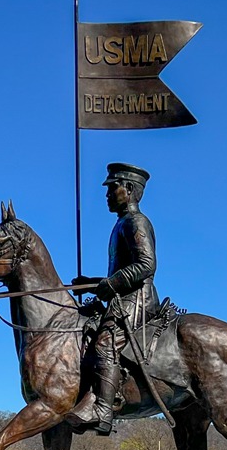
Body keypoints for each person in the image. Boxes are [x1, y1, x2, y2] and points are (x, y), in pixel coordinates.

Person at [67, 163, 161, 435]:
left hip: (138, 298)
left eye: (112, 188)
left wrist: (111, 284)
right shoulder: (121, 223)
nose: (107, 194)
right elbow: (121, 271)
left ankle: (103, 410)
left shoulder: (136, 222)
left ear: (129, 189)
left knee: (105, 342)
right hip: (123, 296)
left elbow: (146, 265)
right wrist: (93, 282)